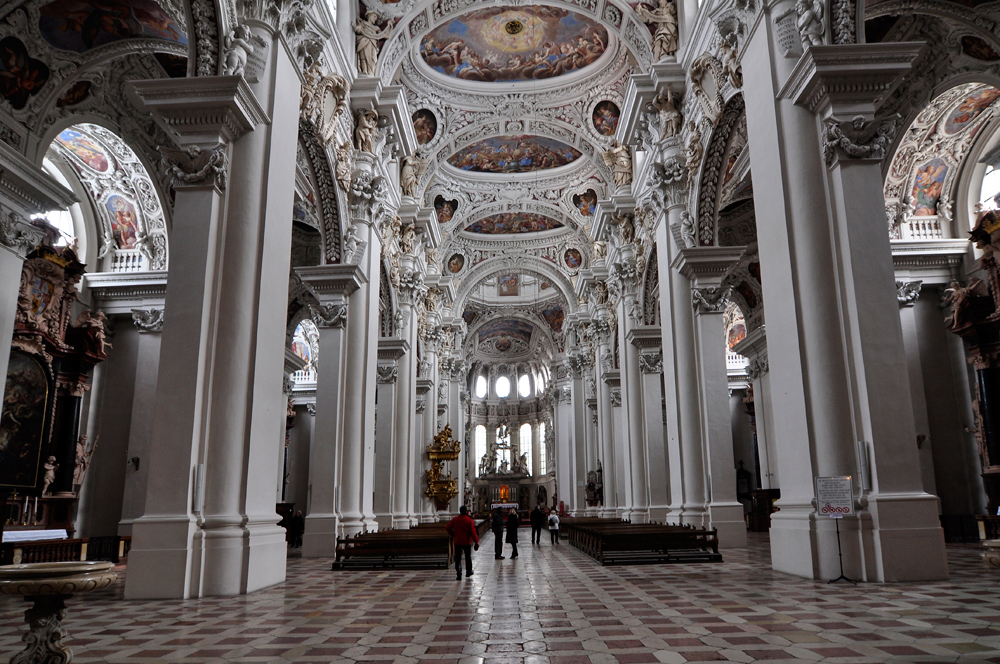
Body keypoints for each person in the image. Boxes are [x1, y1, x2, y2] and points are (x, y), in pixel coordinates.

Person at [446, 505, 480, 580]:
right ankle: (468, 571)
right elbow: (473, 532)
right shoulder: (469, 520)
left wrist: (452, 534)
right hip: (466, 541)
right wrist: (476, 541)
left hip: (457, 541)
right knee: (468, 557)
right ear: (466, 511)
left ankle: (459, 573)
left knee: (457, 557)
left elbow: (447, 527)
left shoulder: (455, 519)